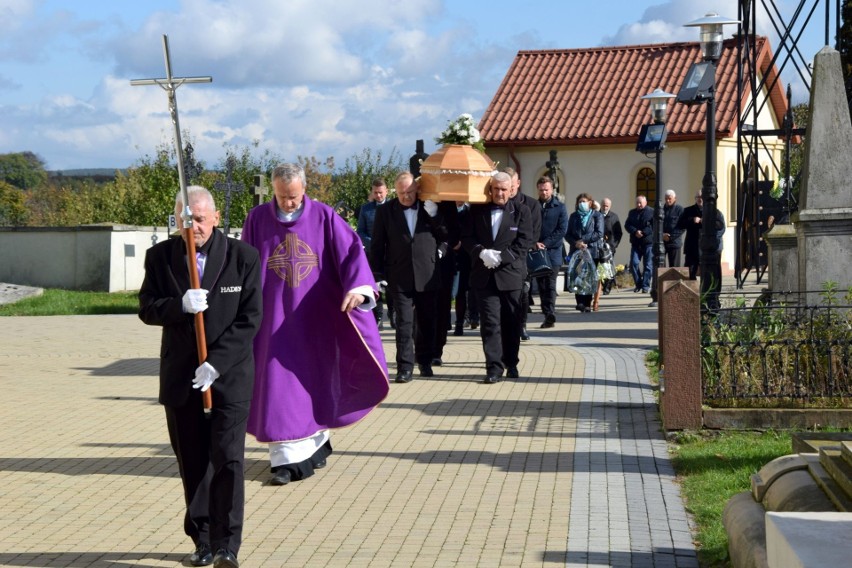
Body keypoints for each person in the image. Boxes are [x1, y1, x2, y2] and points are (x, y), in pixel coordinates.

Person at [241, 163, 389, 487]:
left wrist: (358, 289)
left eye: (293, 197)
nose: (288, 203)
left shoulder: (324, 216)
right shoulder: (257, 219)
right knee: (278, 385)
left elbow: (351, 253)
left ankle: (315, 441)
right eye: (281, 197)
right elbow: (245, 263)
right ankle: (285, 460)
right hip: (273, 320)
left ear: (303, 189)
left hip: (316, 316)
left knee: (314, 383)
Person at [139, 186, 263, 568]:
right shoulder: (160, 257)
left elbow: (250, 318)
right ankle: (203, 539)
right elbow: (147, 308)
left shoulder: (244, 258)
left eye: (199, 218)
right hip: (181, 378)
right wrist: (179, 305)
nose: (193, 225)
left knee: (228, 460)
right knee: (192, 462)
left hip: (228, 378)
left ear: (215, 217)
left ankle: (228, 544)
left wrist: (217, 363)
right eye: (185, 218)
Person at [370, 171, 449, 383]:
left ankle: (424, 361)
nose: (407, 196)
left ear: (417, 190)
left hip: (427, 274)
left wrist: (434, 216)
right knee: (403, 323)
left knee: (426, 322)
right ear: (396, 191)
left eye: (410, 192)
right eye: (402, 192)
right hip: (399, 274)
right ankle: (404, 367)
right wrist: (377, 274)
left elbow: (445, 235)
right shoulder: (386, 211)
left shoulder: (428, 207)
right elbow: (378, 245)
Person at [461, 171, 533, 383]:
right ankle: (493, 367)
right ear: (490, 189)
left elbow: (525, 241)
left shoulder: (521, 211)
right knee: (490, 324)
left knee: (511, 322)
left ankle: (511, 362)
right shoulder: (476, 210)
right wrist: (480, 252)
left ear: (511, 190)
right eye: (496, 189)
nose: (500, 193)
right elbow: (466, 236)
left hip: (510, 275)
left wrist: (502, 257)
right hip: (484, 276)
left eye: (504, 189)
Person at [503, 167, 541, 341]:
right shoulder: (497, 203)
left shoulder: (531, 204)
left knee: (523, 293)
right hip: (500, 256)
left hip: (521, 256)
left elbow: (533, 233)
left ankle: (522, 325)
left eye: (511, 186)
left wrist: (517, 250)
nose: (509, 190)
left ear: (517, 184)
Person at [357, 179, 391, 329]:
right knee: (376, 285)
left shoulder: (393, 207)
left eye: (380, 192)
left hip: (391, 253)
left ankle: (393, 313)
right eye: (375, 192)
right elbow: (360, 231)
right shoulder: (366, 209)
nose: (378, 195)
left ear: (386, 191)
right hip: (373, 253)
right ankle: (378, 316)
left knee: (392, 285)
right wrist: (374, 243)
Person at [535, 176, 568, 327]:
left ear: (552, 190)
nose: (544, 192)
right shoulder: (533, 206)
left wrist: (545, 243)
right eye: (541, 190)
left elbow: (562, 230)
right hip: (537, 252)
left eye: (546, 190)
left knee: (550, 283)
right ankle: (546, 313)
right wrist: (535, 243)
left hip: (553, 251)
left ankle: (550, 313)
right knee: (541, 284)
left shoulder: (560, 207)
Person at [565, 192, 604, 312]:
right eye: (580, 202)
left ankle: (587, 303)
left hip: (592, 250)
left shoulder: (597, 215)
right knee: (577, 276)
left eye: (584, 201)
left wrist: (584, 240)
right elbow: (568, 234)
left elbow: (599, 232)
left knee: (588, 277)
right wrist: (576, 243)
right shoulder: (573, 216)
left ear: (590, 203)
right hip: (577, 250)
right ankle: (580, 302)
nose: (582, 204)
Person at [678, 192, 726, 280]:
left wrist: (705, 221)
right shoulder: (688, 210)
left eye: (702, 197)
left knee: (708, 272)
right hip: (692, 245)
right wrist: (692, 220)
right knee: (690, 270)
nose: (700, 199)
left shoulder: (713, 211)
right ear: (695, 198)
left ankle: (708, 291)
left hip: (707, 246)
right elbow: (680, 224)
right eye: (698, 197)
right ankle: (691, 290)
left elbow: (720, 226)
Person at [453, 201, 479, 335]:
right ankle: (458, 323)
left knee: (470, 289)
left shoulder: (470, 211)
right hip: (450, 254)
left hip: (468, 256)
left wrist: (463, 243)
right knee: (458, 292)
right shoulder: (447, 209)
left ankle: (473, 317)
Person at [625, 195, 654, 294]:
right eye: (637, 203)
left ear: (645, 202)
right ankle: (638, 284)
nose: (638, 204)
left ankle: (645, 286)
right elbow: (627, 225)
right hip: (636, 243)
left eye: (640, 203)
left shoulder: (652, 212)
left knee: (648, 266)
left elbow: (654, 225)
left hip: (648, 243)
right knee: (634, 263)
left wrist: (643, 232)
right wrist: (635, 231)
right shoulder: (632, 212)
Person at [600, 197, 623, 295]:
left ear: (610, 206)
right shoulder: (597, 215)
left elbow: (619, 233)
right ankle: (601, 285)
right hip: (599, 246)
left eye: (607, 206)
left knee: (608, 267)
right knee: (600, 267)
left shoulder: (614, 217)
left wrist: (614, 245)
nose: (605, 207)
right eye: (603, 205)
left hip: (610, 247)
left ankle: (607, 287)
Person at [662, 189, 685, 267]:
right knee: (661, 268)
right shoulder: (661, 210)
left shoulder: (680, 210)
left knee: (674, 268)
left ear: (675, 198)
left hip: (675, 243)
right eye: (666, 199)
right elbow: (656, 225)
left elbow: (682, 227)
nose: (668, 201)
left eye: (670, 199)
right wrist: (662, 235)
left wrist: (670, 237)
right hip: (662, 243)